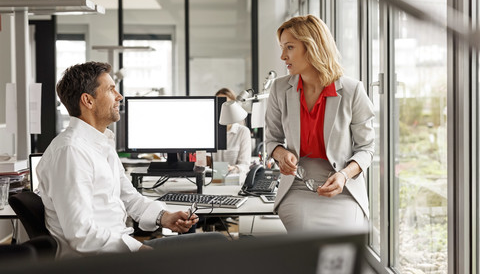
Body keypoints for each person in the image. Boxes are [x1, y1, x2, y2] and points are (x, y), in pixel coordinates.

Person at [37, 62, 223, 258]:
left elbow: (129, 198)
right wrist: (139, 250)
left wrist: (164, 217)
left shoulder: (100, 144)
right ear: (88, 101)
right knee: (214, 247)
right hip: (97, 262)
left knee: (216, 243)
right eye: (110, 90)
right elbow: (81, 234)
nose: (120, 96)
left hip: (120, 251)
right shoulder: (71, 152)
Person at [265, 15, 375, 232]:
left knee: (340, 242)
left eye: (289, 47)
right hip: (297, 186)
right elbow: (272, 140)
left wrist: (344, 175)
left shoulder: (352, 91)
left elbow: (366, 149)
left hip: (342, 187)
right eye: (282, 47)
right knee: (307, 238)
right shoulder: (279, 89)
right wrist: (280, 155)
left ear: (312, 47)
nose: (282, 56)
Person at [212, 88, 252, 178]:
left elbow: (245, 165)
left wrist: (233, 168)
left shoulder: (243, 132)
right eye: (219, 104)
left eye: (226, 104)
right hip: (210, 179)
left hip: (233, 180)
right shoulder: (209, 131)